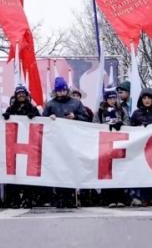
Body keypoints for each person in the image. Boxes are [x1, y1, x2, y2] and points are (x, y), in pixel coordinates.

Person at [42, 77, 89, 207]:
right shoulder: (50, 104)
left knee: (71, 169)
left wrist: (76, 117)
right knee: (58, 169)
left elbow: (86, 119)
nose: (61, 93)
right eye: (59, 91)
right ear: (55, 91)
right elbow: (41, 122)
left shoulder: (76, 103)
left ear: (67, 90)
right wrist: (48, 118)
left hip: (73, 142)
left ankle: (71, 196)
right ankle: (59, 197)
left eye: (63, 90)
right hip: (56, 143)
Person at [2, 84, 41, 208]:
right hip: (14, 147)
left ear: (26, 95)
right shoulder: (11, 109)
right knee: (14, 174)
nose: (21, 95)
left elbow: (41, 123)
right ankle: (14, 199)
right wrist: (5, 118)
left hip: (28, 146)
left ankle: (28, 198)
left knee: (27, 174)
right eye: (18, 94)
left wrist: (34, 117)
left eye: (23, 93)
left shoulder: (32, 108)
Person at [93, 87, 129, 207]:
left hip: (119, 144)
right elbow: (94, 126)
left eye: (114, 98)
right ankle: (108, 198)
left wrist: (121, 125)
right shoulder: (99, 112)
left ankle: (121, 197)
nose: (112, 100)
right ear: (106, 99)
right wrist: (106, 126)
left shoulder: (122, 110)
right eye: (110, 98)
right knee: (107, 172)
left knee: (119, 171)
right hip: (105, 146)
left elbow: (128, 124)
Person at [130, 87, 152, 206]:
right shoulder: (136, 114)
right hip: (141, 149)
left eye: (149, 97)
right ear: (141, 100)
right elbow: (130, 129)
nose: (147, 100)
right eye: (144, 98)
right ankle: (145, 197)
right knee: (144, 172)